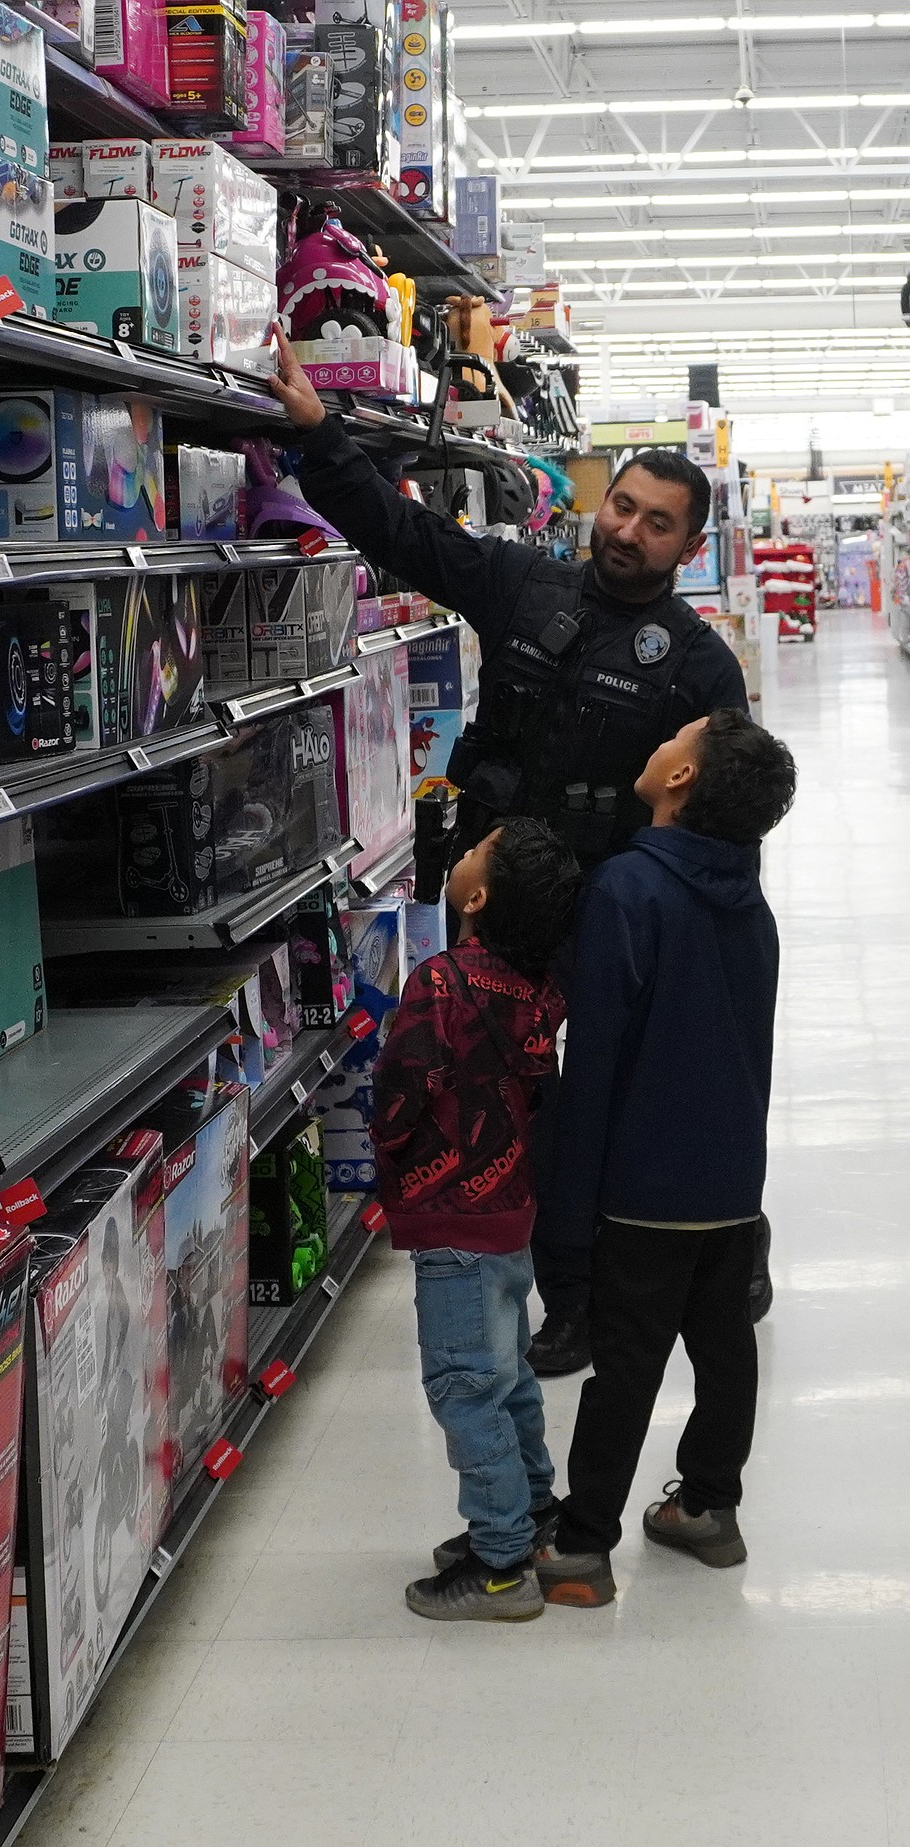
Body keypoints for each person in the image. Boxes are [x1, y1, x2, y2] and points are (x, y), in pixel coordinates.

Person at [268, 326, 766, 1379]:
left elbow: (728, 815)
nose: (627, 529)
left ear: (688, 549)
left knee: (600, 1104)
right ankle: (519, 1272)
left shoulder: (699, 667)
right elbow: (401, 531)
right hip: (496, 892)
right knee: (500, 1096)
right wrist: (319, 434)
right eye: (622, 506)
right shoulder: (520, 583)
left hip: (614, 911)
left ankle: (591, 1292)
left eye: (657, 523)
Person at [533, 709, 796, 1608]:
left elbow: (596, 1059)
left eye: (675, 738)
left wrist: (568, 1215)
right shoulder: (751, 903)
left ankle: (581, 1545)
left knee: (625, 1365)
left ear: (681, 779)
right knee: (726, 1348)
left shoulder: (626, 890)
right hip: (731, 1179)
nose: (659, 743)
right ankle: (710, 1507)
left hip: (642, 1187)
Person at [369, 816, 580, 1622]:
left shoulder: (439, 983)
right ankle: (532, 1510)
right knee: (508, 1371)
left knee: (464, 1386)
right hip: (509, 1210)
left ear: (478, 898)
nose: (457, 854)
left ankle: (499, 1562)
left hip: (452, 1215)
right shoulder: (540, 989)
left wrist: (392, 1149)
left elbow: (401, 1090)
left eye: (473, 853)